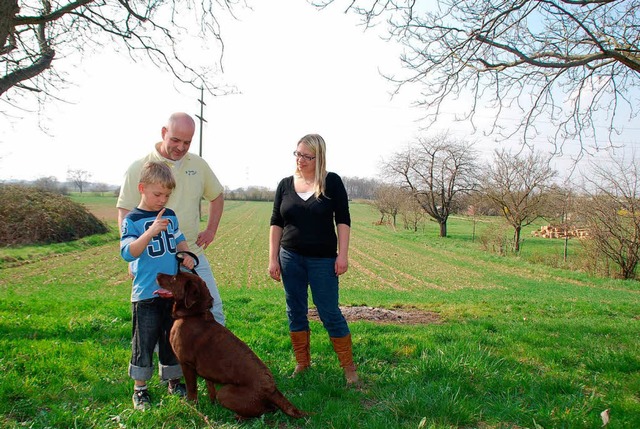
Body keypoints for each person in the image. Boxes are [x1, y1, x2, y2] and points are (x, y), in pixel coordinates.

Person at [117, 112, 226, 326]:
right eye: (175, 140)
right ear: (164, 133)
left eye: (187, 142)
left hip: (189, 253)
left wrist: (211, 229)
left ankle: (209, 359)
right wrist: (133, 255)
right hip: (153, 259)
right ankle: (169, 360)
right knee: (158, 318)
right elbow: (124, 211)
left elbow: (217, 195)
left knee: (212, 310)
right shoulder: (139, 167)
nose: (181, 147)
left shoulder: (199, 165)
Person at [268, 133, 359, 386]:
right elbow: (276, 222)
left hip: (323, 260)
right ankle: (302, 363)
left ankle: (349, 368)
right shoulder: (285, 184)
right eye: (298, 154)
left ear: (319, 157)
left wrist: (343, 254)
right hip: (290, 257)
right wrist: (272, 258)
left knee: (329, 311)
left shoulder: (332, 182)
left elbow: (343, 219)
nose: (301, 160)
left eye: (307, 156)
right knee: (295, 310)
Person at [120, 161, 195, 410]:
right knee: (144, 341)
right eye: (157, 194)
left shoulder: (170, 216)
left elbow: (178, 239)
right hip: (146, 294)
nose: (162, 200)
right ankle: (140, 389)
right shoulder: (133, 220)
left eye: (167, 195)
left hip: (170, 293)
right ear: (142, 188)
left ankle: (173, 380)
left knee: (171, 338)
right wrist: (150, 231)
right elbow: (128, 253)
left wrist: (186, 255)